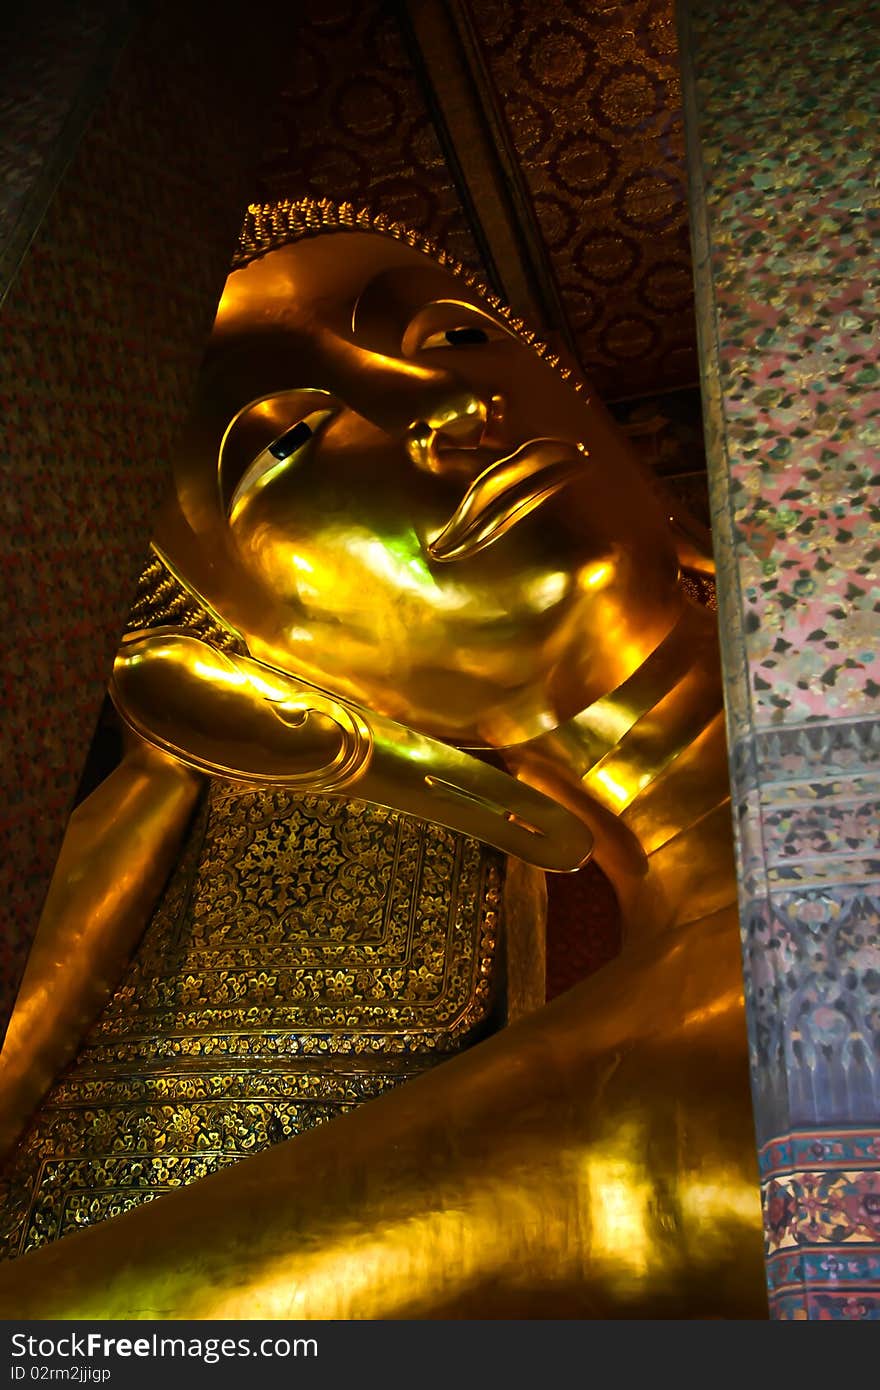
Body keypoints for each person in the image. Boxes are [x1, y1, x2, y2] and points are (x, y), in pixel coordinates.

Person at [0, 199, 766, 1317]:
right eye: (289, 444)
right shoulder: (636, 1122)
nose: (453, 405)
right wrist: (165, 775)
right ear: (271, 685)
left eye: (451, 336)